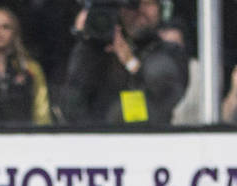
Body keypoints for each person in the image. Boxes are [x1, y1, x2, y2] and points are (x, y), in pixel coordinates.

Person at [60, 0, 188, 125]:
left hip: (152, 138)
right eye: (132, 4)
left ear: (161, 9)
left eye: (148, 3)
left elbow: (168, 96)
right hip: (101, 138)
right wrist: (87, 40)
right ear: (118, 10)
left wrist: (131, 62)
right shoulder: (94, 52)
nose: (140, 11)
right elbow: (72, 105)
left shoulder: (170, 52)